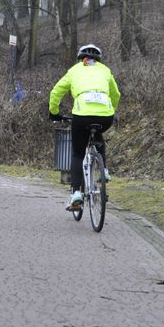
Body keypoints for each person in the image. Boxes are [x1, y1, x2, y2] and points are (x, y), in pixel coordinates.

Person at [49, 43, 121, 211]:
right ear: (99, 59)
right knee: (98, 135)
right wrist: (112, 110)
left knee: (77, 153)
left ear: (80, 58)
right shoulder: (105, 70)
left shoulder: (74, 70)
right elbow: (116, 94)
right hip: (105, 116)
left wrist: (54, 112)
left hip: (82, 116)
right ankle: (104, 172)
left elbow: (56, 92)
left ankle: (76, 193)